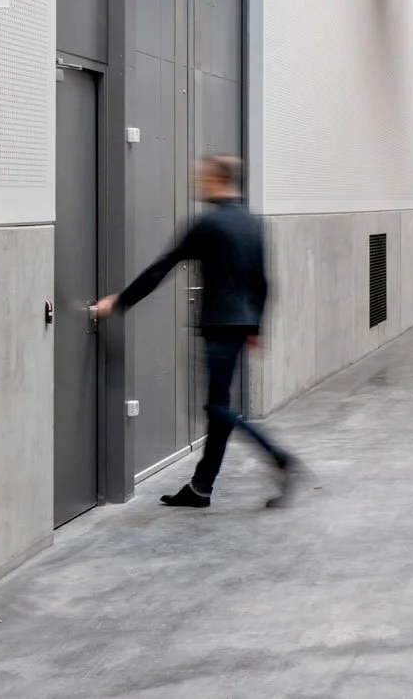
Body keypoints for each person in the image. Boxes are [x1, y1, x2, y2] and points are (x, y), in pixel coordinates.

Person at [90, 153, 300, 509]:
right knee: (219, 409)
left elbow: (162, 268)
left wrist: (121, 301)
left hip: (219, 326)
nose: (198, 182)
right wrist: (256, 326)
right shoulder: (253, 223)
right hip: (240, 326)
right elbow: (264, 281)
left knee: (217, 409)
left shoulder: (208, 224)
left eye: (203, 177)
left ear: (219, 180)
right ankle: (201, 487)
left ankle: (278, 457)